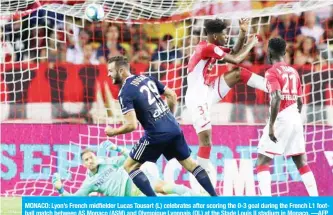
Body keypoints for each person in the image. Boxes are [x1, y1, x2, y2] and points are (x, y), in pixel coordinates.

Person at [104, 56, 217, 196]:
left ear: (121, 71)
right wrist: (167, 118)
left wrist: (113, 132)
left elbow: (131, 125)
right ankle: (215, 198)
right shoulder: (147, 78)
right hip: (173, 127)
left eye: (110, 71)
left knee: (130, 166)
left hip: (156, 134)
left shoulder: (125, 92)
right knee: (191, 165)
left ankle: (154, 203)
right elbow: (172, 95)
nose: (108, 74)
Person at [185, 18, 268, 183]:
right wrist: (251, 44)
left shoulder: (211, 45)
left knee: (238, 74)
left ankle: (272, 87)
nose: (225, 36)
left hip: (208, 91)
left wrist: (243, 32)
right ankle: (200, 183)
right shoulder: (206, 48)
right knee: (206, 141)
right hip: (196, 98)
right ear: (215, 36)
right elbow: (236, 58)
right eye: (223, 33)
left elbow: (234, 52)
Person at [256, 37, 318, 196]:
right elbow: (300, 100)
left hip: (281, 117)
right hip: (296, 117)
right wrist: (295, 116)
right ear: (284, 52)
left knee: (262, 161)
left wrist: (271, 125)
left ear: (269, 52)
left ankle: (267, 205)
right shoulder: (293, 71)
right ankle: (316, 201)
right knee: (301, 161)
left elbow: (276, 97)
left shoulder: (272, 71)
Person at [52, 141, 200, 196]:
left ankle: (198, 198)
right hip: (128, 198)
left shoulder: (108, 162)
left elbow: (128, 157)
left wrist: (117, 148)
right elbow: (75, 199)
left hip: (136, 180)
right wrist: (60, 189)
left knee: (165, 188)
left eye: (92, 157)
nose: (91, 160)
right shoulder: (89, 183)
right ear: (83, 164)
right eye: (87, 160)